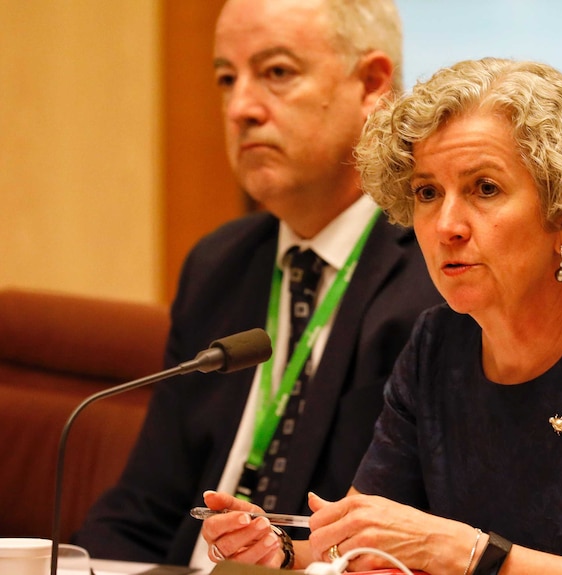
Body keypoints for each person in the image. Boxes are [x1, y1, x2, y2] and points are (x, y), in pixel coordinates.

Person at [197, 58, 562, 574]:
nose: (447, 225)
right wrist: (280, 548)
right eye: (427, 192)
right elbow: (371, 532)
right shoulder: (439, 341)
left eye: (484, 189)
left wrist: (466, 553)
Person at [72, 0, 440, 569]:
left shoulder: (439, 274)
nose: (240, 107)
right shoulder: (219, 264)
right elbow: (145, 504)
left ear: (371, 85)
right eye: (226, 78)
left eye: (277, 73)